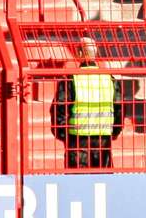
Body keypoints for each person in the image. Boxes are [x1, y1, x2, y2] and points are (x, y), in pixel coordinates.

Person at [52, 38, 122, 169]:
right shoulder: (109, 79)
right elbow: (119, 107)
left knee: (78, 183)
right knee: (103, 180)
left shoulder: (71, 79)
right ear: (95, 53)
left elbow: (59, 109)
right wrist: (115, 131)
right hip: (103, 140)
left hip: (77, 140)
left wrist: (63, 135)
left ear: (79, 53)